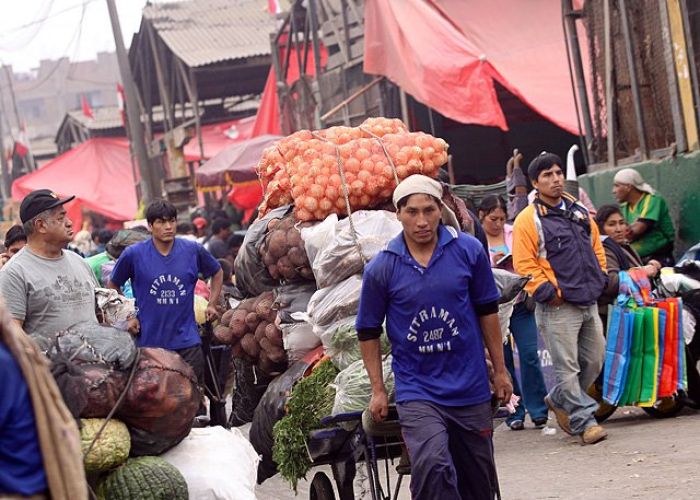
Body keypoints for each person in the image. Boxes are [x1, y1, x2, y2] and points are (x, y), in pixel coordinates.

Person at [357, 174, 512, 500]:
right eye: (412, 212)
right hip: (418, 390)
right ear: (398, 214)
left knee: (478, 481)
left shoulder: (468, 251)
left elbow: (487, 312)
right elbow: (368, 330)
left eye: (429, 210)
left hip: (470, 387)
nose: (422, 221)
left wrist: (499, 370)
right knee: (432, 464)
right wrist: (377, 390)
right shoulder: (382, 267)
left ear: (441, 210)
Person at [512, 152, 608, 445]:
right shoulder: (528, 220)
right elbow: (524, 264)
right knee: (567, 368)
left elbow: (596, 248)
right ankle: (584, 422)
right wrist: (548, 294)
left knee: (594, 360)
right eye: (547, 176)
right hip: (557, 307)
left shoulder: (578, 210)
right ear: (534, 183)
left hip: (588, 299)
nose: (555, 179)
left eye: (557, 173)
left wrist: (601, 277)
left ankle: (557, 398)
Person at [108, 200, 223, 383]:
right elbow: (113, 285)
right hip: (150, 344)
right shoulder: (133, 254)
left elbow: (217, 272)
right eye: (161, 222)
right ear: (150, 226)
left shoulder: (192, 250)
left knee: (192, 399)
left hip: (188, 342)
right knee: (156, 403)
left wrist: (212, 304)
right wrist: (128, 316)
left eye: (172, 221)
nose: (168, 227)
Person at [478, 195, 549, 431]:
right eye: (492, 218)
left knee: (529, 354)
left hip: (520, 304)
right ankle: (514, 410)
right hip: (494, 310)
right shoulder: (477, 240)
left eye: (501, 218)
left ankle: (539, 409)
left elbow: (528, 258)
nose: (498, 223)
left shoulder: (514, 232)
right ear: (482, 216)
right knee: (503, 360)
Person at [0, 190, 99, 338]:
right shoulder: (14, 272)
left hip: (98, 360)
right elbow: (13, 337)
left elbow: (100, 310)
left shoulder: (79, 261)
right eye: (61, 218)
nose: (69, 223)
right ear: (41, 226)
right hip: (51, 362)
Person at [595, 204, 661, 320]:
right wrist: (643, 272)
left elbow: (631, 266)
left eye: (621, 223)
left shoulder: (623, 246)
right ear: (600, 228)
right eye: (611, 224)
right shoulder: (604, 249)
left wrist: (650, 264)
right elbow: (611, 282)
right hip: (613, 316)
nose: (619, 229)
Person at [613, 168, 675, 266]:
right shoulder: (625, 207)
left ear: (628, 187)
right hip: (638, 258)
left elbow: (639, 228)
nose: (614, 191)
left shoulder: (652, 199)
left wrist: (622, 232)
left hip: (659, 255)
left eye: (617, 186)